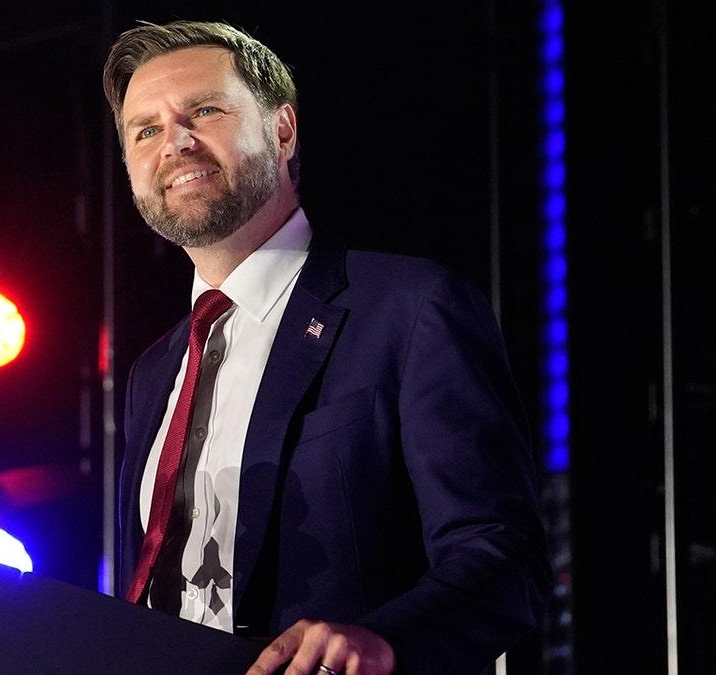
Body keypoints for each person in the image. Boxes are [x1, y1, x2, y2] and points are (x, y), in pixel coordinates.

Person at [102, 20, 550, 675]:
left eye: (204, 111)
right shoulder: (152, 373)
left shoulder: (410, 307)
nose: (175, 141)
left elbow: (504, 557)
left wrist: (383, 641)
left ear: (283, 130)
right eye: (145, 130)